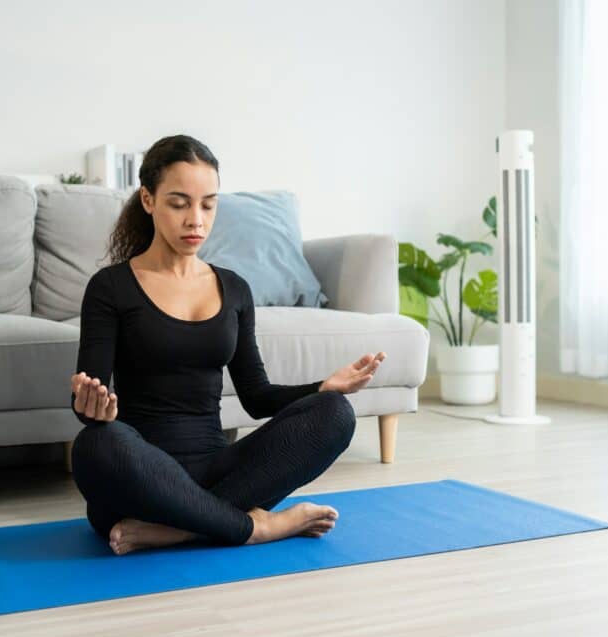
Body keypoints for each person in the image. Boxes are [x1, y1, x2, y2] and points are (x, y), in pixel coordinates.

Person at [69, 134, 387, 555]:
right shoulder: (111, 287)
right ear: (148, 200)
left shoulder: (233, 289)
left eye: (208, 204)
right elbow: (87, 400)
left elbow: (256, 396)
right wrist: (93, 408)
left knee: (335, 414)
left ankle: (182, 529)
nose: (196, 220)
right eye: (179, 203)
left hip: (220, 472)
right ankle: (251, 528)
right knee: (96, 445)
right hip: (142, 477)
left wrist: (322, 389)